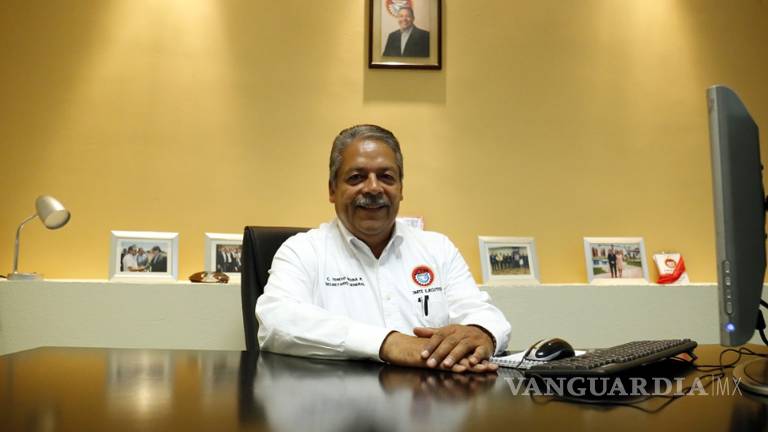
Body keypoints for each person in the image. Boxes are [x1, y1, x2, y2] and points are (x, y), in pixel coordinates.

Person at [256, 124, 511, 374]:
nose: (373, 188)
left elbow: (482, 313)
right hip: (336, 397)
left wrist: (481, 334)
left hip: (433, 397)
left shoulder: (438, 248)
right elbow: (276, 322)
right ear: (332, 189)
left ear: (401, 189)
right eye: (356, 177)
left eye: (386, 177)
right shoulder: (301, 251)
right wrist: (388, 343)